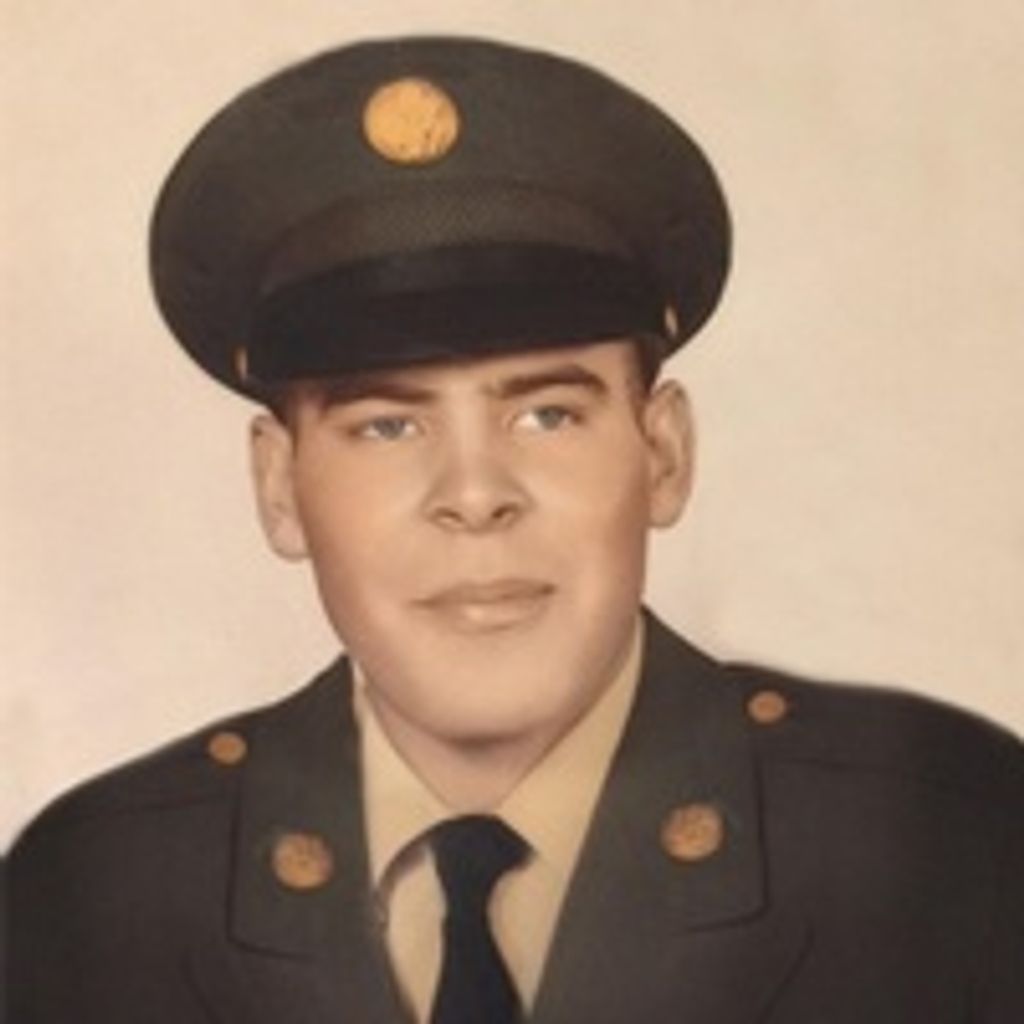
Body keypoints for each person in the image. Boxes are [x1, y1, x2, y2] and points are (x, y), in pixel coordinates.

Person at [6, 35, 1022, 1024]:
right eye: (386, 426)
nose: (475, 493)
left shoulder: (952, 850)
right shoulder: (89, 899)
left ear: (662, 453)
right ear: (280, 485)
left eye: (547, 415)